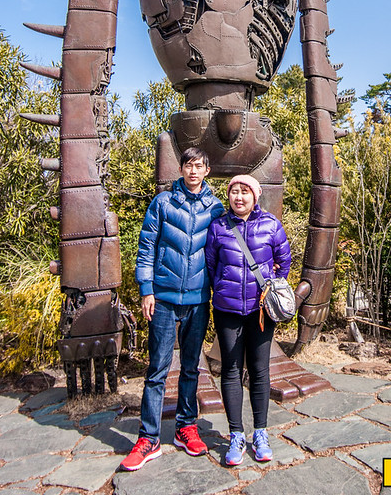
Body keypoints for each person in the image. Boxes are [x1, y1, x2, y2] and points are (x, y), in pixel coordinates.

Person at [120, 147, 224, 472]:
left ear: (207, 170)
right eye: (188, 165)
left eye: (199, 166)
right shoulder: (163, 203)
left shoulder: (216, 208)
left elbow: (226, 250)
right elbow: (147, 245)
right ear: (181, 169)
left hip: (198, 301)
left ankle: (185, 427)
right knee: (157, 370)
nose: (193, 171)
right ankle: (148, 438)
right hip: (163, 299)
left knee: (191, 369)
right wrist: (146, 289)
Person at [205, 174, 291, 466]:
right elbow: (211, 263)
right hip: (228, 309)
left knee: (259, 370)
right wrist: (222, 286)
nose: (238, 197)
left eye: (244, 192)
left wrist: (272, 285)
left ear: (255, 196)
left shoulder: (270, 225)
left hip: (261, 311)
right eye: (234, 192)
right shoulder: (218, 227)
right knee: (230, 370)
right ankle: (236, 434)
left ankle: (261, 432)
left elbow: (285, 259)